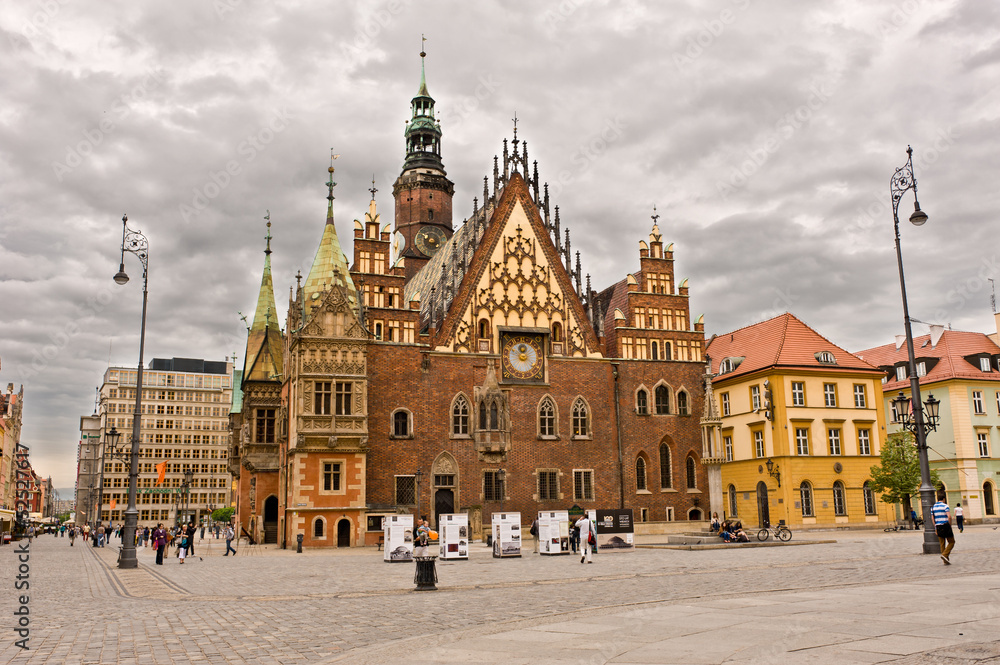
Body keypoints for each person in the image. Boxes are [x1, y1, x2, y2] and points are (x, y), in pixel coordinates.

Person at [932, 493, 955, 564]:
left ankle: (945, 560)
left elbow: (933, 518)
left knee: (942, 543)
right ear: (944, 499)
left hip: (938, 526)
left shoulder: (933, 507)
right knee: (951, 541)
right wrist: (950, 524)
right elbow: (949, 516)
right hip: (945, 525)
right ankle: (945, 555)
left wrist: (935, 527)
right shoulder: (945, 506)